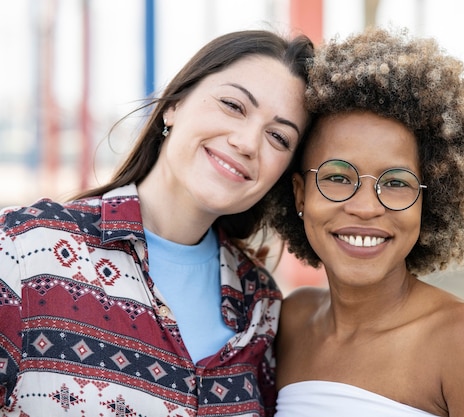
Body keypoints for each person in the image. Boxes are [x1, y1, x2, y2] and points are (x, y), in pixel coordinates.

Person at [0, 29, 313, 417]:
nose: (248, 142)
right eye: (233, 105)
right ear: (174, 105)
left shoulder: (260, 308)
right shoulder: (25, 250)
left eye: (278, 137)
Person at [269, 27, 464, 417]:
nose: (365, 207)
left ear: (431, 201)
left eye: (395, 183)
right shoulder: (292, 319)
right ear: (300, 193)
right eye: (338, 176)